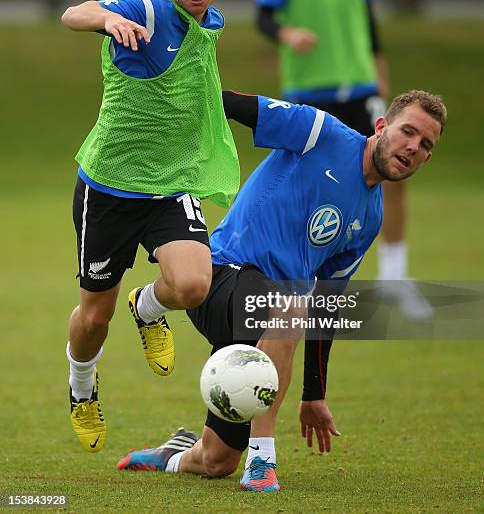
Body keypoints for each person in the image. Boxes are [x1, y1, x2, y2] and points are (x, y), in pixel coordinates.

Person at [116, 89, 446, 491]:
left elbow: (326, 302)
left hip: (263, 325)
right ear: (381, 126)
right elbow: (231, 103)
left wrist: (314, 394)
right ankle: (262, 462)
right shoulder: (321, 132)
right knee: (289, 305)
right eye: (407, 131)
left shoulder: (372, 216)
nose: (413, 147)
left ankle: (174, 454)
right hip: (223, 274)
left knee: (216, 460)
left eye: (425, 144)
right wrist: (163, 111)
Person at [60, 0, 240, 454]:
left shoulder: (209, 22)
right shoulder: (148, 9)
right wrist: (106, 22)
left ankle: (150, 307)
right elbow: (75, 12)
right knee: (95, 315)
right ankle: (82, 389)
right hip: (109, 188)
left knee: (192, 286)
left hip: (169, 184)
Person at [254, 0, 429, 316]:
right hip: (309, 90)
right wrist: (286, 32)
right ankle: (289, 279)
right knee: (301, 184)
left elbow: (366, 15)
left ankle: (393, 277)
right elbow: (263, 16)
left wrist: (380, 68)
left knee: (396, 170)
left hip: (360, 84)